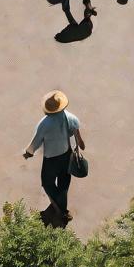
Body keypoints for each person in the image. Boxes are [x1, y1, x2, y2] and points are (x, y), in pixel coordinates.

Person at [23, 90, 85, 227]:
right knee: (64, 184)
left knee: (47, 183)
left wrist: (28, 153)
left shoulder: (44, 123)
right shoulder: (71, 118)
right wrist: (81, 146)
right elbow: (80, 141)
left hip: (51, 159)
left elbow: (36, 142)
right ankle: (61, 207)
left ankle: (60, 211)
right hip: (67, 156)